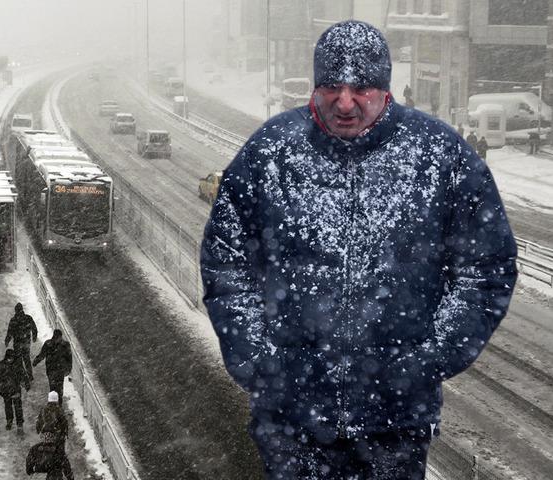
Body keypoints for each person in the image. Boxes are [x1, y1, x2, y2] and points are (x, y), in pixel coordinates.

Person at [200, 20, 517, 479]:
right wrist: (258, 360)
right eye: (331, 86)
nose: (344, 103)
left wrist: (429, 358)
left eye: (361, 88)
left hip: (394, 428)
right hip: (291, 426)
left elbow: (485, 270)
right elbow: (227, 262)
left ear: (386, 89)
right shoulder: (270, 153)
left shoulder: (439, 156)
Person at [36, 391, 74, 480]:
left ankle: (51, 474)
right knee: (61, 457)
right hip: (58, 438)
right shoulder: (59, 410)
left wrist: (40, 431)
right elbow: (64, 424)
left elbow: (38, 423)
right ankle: (66, 475)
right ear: (56, 400)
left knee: (48, 456)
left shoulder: (44, 409)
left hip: (47, 438)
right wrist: (64, 434)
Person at [33, 329, 72, 403]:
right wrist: (36, 361)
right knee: (53, 388)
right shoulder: (50, 344)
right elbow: (42, 354)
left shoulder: (62, 345)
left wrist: (68, 369)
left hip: (59, 370)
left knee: (59, 389)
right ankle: (54, 406)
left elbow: (69, 358)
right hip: (52, 370)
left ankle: (58, 406)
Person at [0, 348, 30, 433]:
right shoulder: (1, 365)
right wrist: (1, 389)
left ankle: (19, 424)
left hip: (16, 390)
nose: (11, 359)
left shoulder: (17, 365)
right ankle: (9, 421)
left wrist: (26, 383)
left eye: (12, 358)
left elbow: (23, 374)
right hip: (6, 391)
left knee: (18, 407)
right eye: (9, 358)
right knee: (8, 407)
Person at [5, 303, 38, 384]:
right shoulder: (28, 318)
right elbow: (34, 328)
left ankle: (22, 377)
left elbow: (10, 332)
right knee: (27, 359)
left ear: (16, 310)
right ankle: (30, 376)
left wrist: (7, 340)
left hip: (17, 343)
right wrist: (34, 337)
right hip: (26, 342)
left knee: (19, 361)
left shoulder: (13, 320)